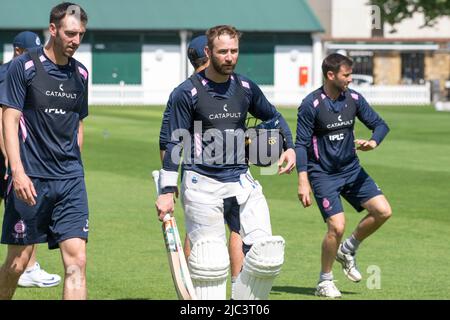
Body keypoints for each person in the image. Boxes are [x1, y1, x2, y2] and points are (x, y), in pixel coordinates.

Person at [156, 25, 296, 300]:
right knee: (210, 262)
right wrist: (166, 190)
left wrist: (289, 147)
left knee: (267, 253)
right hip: (201, 183)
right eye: (223, 52)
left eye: (234, 51)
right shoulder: (187, 93)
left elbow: (274, 117)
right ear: (208, 52)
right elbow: (174, 142)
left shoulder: (245, 87)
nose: (230, 57)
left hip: (241, 180)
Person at [0, 2, 89, 300]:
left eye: (80, 34)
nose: (75, 40)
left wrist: (76, 168)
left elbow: (78, 123)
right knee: (17, 263)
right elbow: (9, 119)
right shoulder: (22, 67)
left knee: (77, 261)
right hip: (30, 179)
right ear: (53, 29)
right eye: (70, 33)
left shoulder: (81, 74)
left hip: (70, 181)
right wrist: (17, 171)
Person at [295, 53, 392, 298]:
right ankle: (324, 281)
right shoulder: (311, 105)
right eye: (346, 75)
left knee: (383, 211)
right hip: (323, 174)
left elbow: (380, 125)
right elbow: (301, 145)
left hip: (351, 169)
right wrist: (303, 180)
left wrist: (373, 142)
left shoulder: (354, 99)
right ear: (331, 75)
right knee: (336, 227)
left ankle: (348, 249)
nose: (350, 79)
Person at [159, 34, 245, 298]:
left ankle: (193, 292)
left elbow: (167, 141)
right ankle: (237, 290)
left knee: (197, 234)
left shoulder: (182, 91)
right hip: (218, 174)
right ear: (209, 54)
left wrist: (168, 183)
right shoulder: (203, 90)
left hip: (193, 175)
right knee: (237, 229)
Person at [0, 31, 62, 289]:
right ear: (17, 51)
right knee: (22, 209)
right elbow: (4, 120)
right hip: (9, 156)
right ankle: (25, 268)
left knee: (27, 209)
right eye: (29, 52)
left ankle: (30, 268)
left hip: (18, 155)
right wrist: (10, 162)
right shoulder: (9, 73)